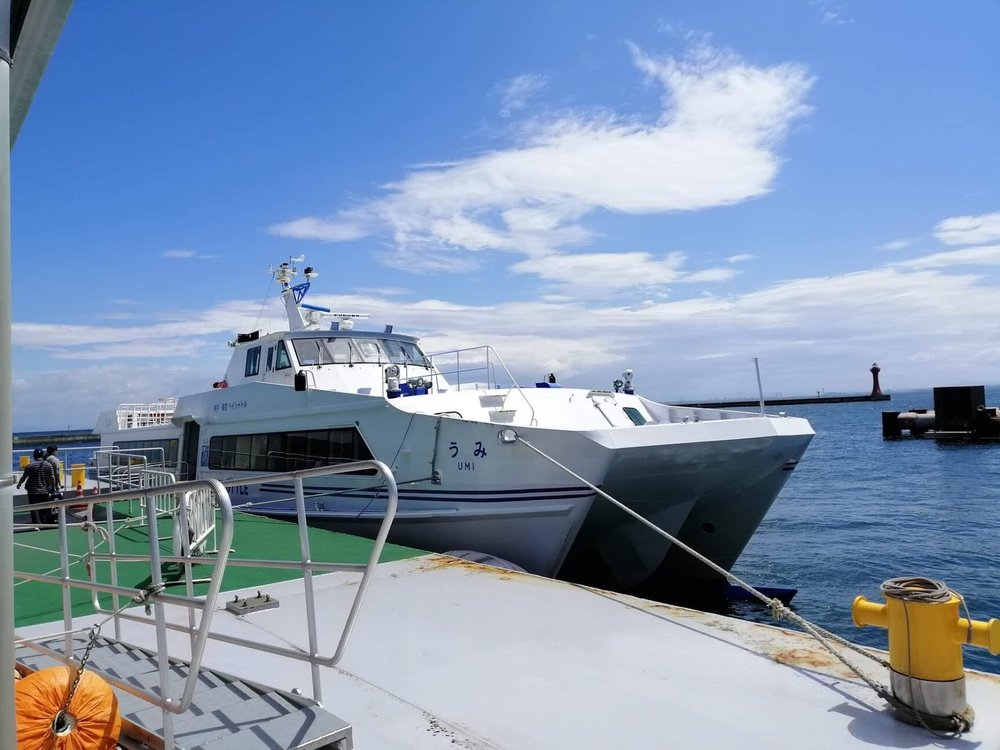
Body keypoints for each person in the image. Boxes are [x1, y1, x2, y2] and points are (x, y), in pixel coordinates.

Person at [16, 448, 57, 525]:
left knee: (34, 508)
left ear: (34, 456)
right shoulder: (48, 465)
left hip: (33, 491)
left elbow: (24, 477)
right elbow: (52, 477)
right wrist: (52, 487)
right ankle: (45, 522)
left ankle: (36, 524)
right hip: (44, 490)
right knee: (45, 507)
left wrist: (19, 484)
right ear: (42, 455)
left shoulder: (30, 466)